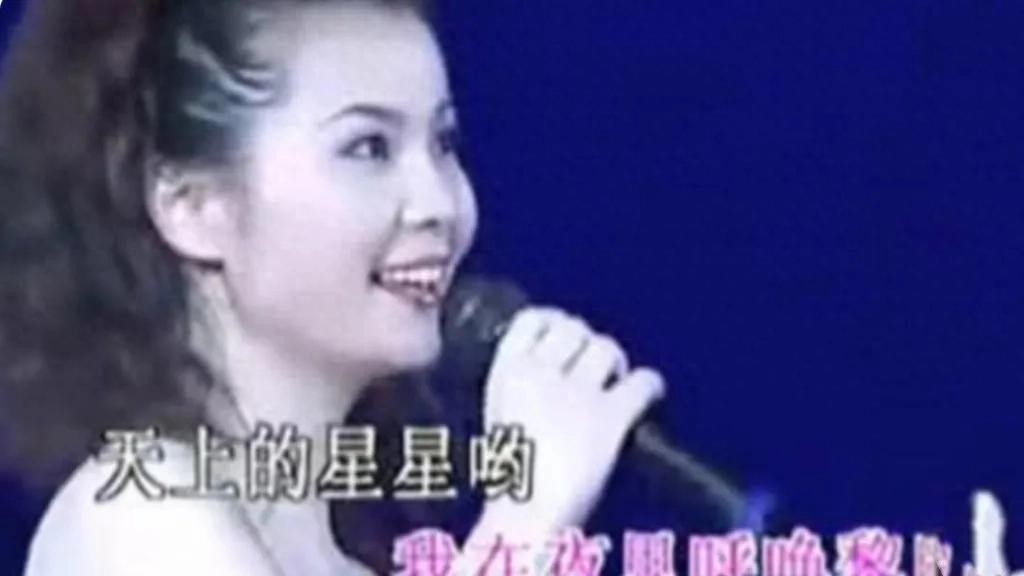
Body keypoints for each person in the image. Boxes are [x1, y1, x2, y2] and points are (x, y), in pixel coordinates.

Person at [0, 0, 666, 574]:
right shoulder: (136, 514)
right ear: (193, 205)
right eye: (369, 147)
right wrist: (526, 521)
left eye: (444, 143)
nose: (439, 204)